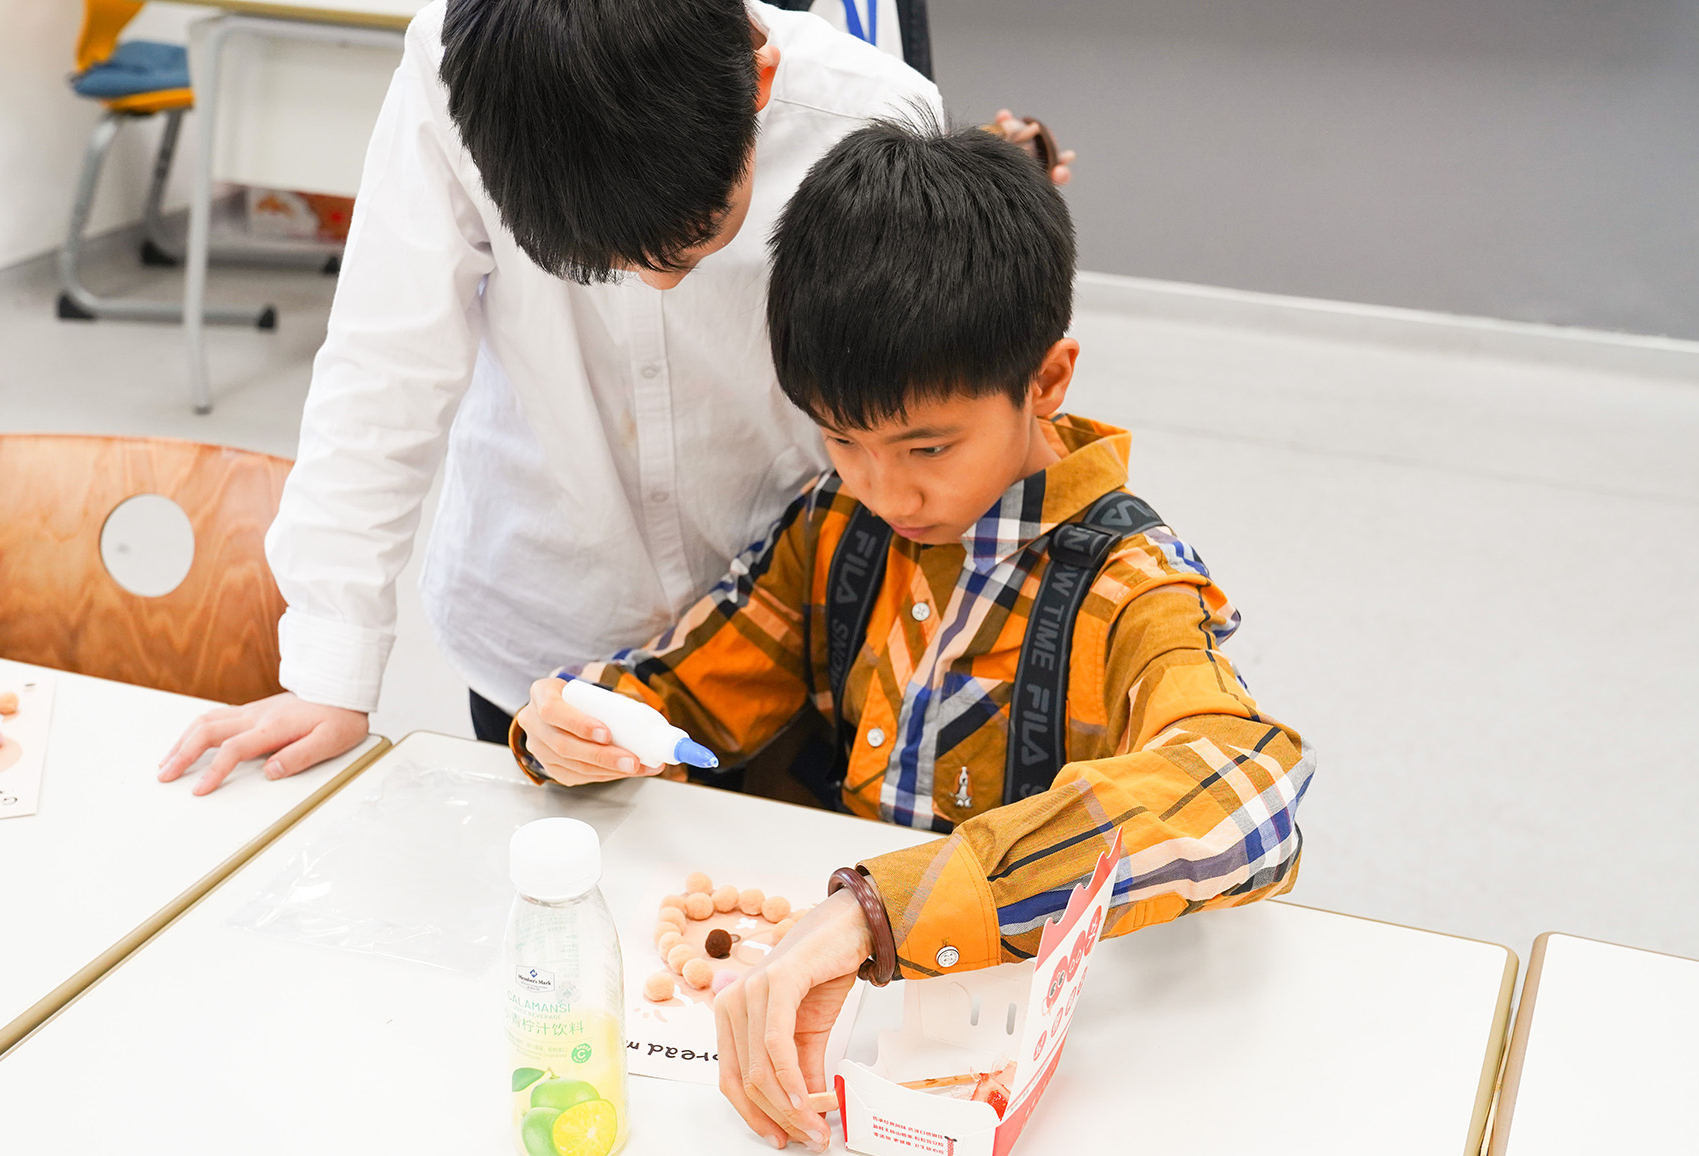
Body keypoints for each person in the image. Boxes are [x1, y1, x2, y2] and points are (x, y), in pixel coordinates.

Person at [510, 120, 1315, 1151]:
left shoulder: (1126, 585)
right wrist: (578, 722)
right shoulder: (836, 526)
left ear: (1045, 381)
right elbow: (682, 688)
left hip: (1028, 1072)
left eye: (927, 447)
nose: (886, 490)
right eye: (841, 438)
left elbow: (1251, 792)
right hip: (839, 1028)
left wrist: (879, 911)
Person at [156, 0, 1070, 796]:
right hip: (542, 628)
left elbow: (932, 387)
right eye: (603, 260)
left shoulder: (869, 111)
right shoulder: (458, 71)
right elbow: (384, 362)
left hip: (783, 628)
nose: (653, 280)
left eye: (694, 239)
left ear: (758, 82)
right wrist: (330, 668)